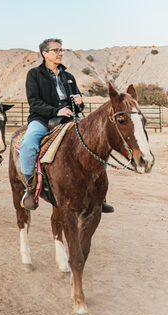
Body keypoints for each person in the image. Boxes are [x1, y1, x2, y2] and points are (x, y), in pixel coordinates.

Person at [21, 38, 114, 213]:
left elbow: (78, 106)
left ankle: (99, 193)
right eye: (55, 50)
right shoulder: (34, 74)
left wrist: (79, 103)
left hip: (69, 119)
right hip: (42, 119)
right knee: (29, 143)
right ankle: (30, 188)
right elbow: (34, 102)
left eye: (61, 50)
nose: (60, 53)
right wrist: (56, 111)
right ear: (45, 53)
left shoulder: (68, 77)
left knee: (97, 143)